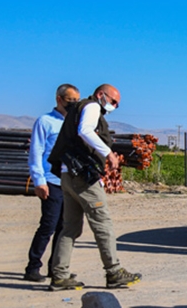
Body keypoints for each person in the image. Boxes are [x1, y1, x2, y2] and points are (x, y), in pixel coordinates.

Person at [46, 84, 141, 290]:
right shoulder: (92, 107)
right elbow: (85, 131)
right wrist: (108, 153)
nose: (114, 106)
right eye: (113, 101)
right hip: (82, 176)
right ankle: (114, 271)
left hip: (67, 173)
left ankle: (60, 274)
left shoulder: (78, 109)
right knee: (103, 224)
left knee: (70, 227)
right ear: (101, 95)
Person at [23, 83, 79, 282]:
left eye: (76, 102)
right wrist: (39, 180)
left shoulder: (75, 124)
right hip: (50, 180)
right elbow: (36, 152)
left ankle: (56, 268)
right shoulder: (45, 122)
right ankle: (33, 267)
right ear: (59, 99)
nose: (73, 105)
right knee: (48, 224)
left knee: (64, 227)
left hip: (68, 182)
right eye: (70, 101)